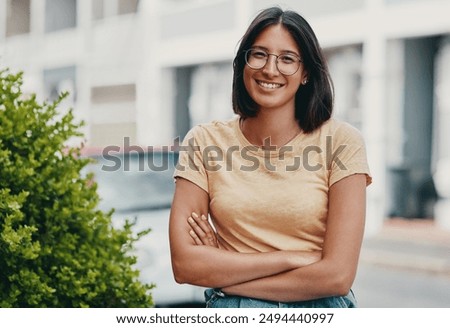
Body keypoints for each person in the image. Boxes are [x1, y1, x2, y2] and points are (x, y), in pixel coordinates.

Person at [169, 6, 372, 308]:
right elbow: (186, 265)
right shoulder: (204, 142)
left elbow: (337, 276)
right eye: (259, 54)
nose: (270, 69)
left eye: (287, 59)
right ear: (243, 64)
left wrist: (223, 269)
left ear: (306, 73)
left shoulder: (343, 143)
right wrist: (289, 258)